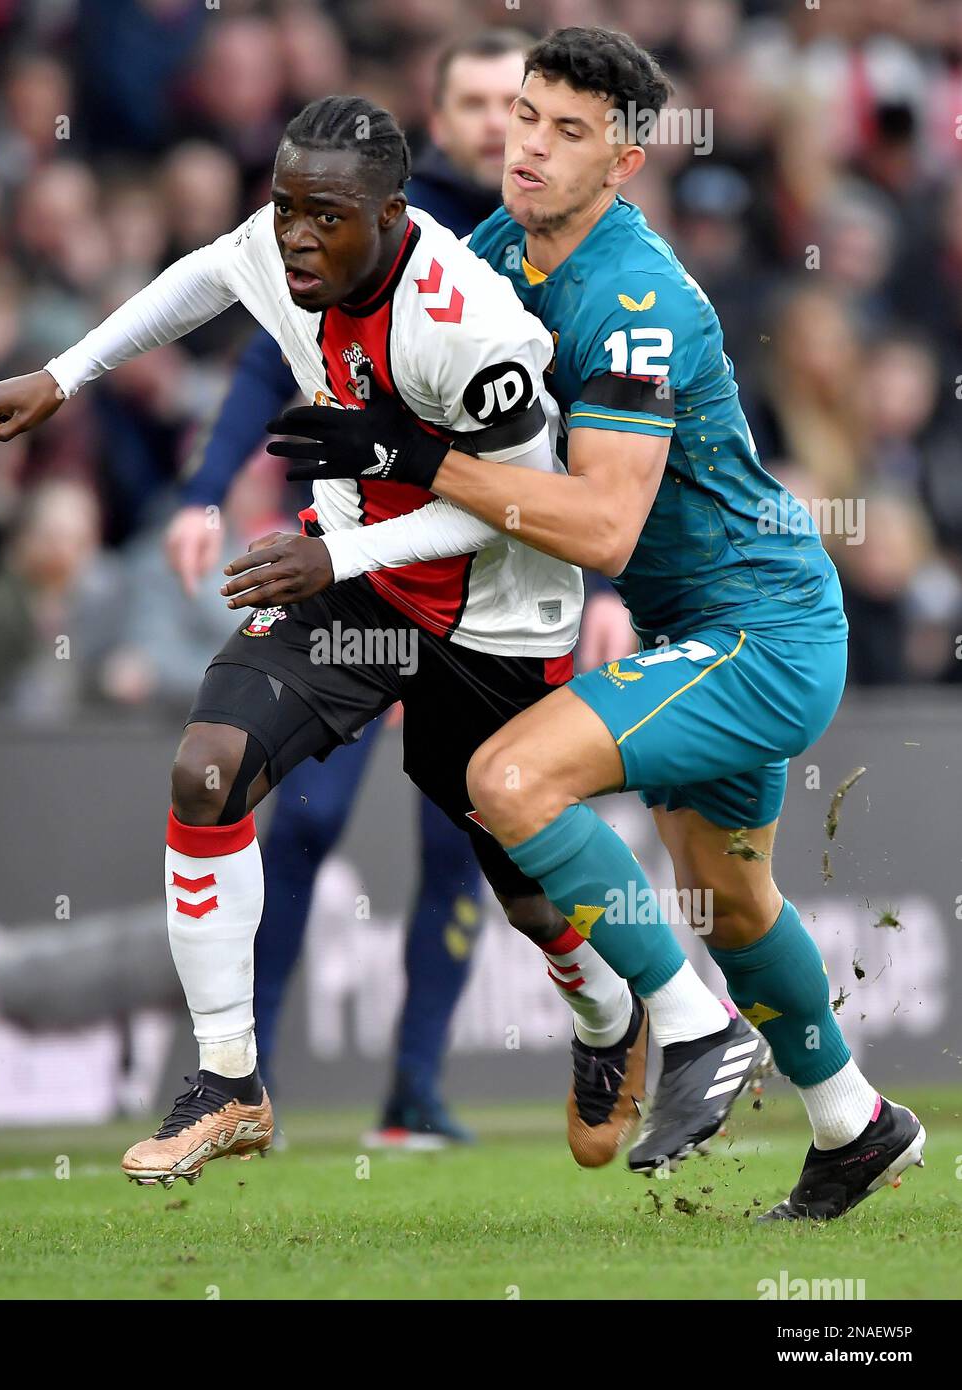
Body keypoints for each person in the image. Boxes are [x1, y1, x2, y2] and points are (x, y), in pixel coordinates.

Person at [0, 93, 762, 1190]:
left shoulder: (472, 327)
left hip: (493, 612)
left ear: (391, 215)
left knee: (523, 879)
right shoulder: (287, 249)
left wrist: (338, 558)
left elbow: (523, 500)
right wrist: (62, 376)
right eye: (284, 206)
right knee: (207, 772)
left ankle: (608, 1012)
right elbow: (201, 275)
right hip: (354, 585)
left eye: (323, 216)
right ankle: (230, 1077)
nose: (294, 234)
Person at [256, 27, 925, 1221]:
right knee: (731, 899)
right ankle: (854, 1122)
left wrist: (414, 456)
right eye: (525, 116)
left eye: (569, 133)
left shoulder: (635, 296)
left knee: (506, 779)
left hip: (759, 627)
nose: (531, 147)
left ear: (624, 162)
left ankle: (697, 1032)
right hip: (697, 622)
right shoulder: (499, 248)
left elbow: (607, 527)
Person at [165, 29, 537, 1149]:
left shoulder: (545, 247)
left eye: (510, 103)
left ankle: (418, 1088)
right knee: (300, 824)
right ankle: (243, 1074)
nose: (491, 121)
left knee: (472, 841)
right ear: (436, 117)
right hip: (365, 569)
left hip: (491, 575)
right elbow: (253, 351)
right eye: (470, 99)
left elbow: (570, 452)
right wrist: (203, 485)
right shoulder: (353, 218)